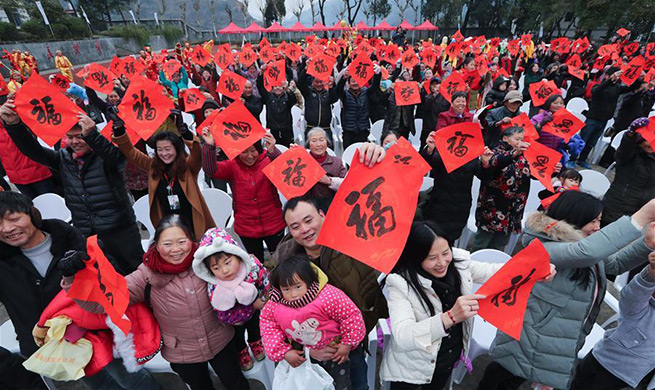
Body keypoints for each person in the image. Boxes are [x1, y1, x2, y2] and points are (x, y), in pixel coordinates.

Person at [479, 191, 655, 390]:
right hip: (530, 334)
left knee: (513, 376)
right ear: (574, 218)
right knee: (505, 375)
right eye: (593, 221)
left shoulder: (584, 244)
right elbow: (586, 253)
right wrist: (642, 217)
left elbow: (613, 264)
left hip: (557, 335)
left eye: (600, 221)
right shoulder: (545, 245)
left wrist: (646, 244)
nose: (598, 227)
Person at [60, 215, 250, 390]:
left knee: (236, 383)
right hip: (182, 353)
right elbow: (103, 304)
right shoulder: (146, 275)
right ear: (156, 245)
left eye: (181, 242)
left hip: (221, 340)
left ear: (192, 241)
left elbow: (239, 272)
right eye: (167, 244)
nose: (175, 250)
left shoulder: (206, 260)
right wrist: (72, 278)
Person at [0, 192, 157, 390]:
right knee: (96, 383)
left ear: (33, 214)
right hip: (59, 341)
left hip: (97, 328)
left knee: (129, 377)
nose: (7, 229)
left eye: (14, 219)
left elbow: (110, 275)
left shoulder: (69, 239)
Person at [380, 221, 550, 390]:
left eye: (446, 252)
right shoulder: (400, 283)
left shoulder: (459, 261)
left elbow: (496, 272)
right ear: (416, 257)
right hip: (412, 367)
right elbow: (403, 335)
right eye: (432, 258)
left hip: (448, 357)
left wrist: (536, 270)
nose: (442, 262)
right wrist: (450, 317)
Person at [1, 99, 143, 274]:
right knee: (105, 277)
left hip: (119, 231)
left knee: (136, 274)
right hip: (87, 234)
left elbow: (116, 158)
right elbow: (33, 151)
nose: (75, 141)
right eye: (70, 137)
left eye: (80, 136)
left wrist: (92, 135)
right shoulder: (62, 159)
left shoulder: (107, 157)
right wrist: (14, 125)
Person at [272, 184, 389, 390]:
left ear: (322, 214)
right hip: (311, 352)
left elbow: (389, 214)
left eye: (309, 220)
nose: (305, 230)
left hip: (351, 344)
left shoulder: (351, 241)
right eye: (295, 226)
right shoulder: (284, 260)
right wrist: (308, 350)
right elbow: (277, 315)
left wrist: (350, 341)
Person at [260, 255, 366, 390]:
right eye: (286, 289)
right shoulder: (274, 305)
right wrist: (284, 352)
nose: (293, 294)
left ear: (309, 282)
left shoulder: (327, 296)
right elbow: (268, 327)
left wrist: (347, 343)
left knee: (341, 384)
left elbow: (350, 316)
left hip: (336, 353)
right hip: (302, 356)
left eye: (298, 287)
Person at [111, 109, 215, 240]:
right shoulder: (152, 166)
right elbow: (131, 152)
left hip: (194, 225)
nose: (164, 154)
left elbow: (197, 152)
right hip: (169, 227)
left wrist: (185, 132)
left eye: (167, 149)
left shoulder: (188, 166)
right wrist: (119, 129)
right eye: (159, 150)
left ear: (177, 149)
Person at [570, 254, 655, 390]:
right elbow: (633, 295)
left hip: (633, 379)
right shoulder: (641, 309)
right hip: (603, 367)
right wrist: (650, 274)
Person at [201, 130, 286, 262]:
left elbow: (285, 169)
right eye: (244, 151)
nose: (249, 156)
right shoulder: (232, 165)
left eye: (253, 150)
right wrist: (209, 147)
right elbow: (211, 169)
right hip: (247, 226)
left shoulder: (268, 160)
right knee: (255, 263)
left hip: (273, 222)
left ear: (259, 149)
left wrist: (273, 150)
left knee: (282, 259)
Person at [192, 227, 270, 371]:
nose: (224, 270)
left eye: (227, 262)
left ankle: (256, 343)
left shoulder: (250, 267)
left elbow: (264, 280)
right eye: (216, 267)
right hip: (234, 321)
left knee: (255, 328)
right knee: (237, 337)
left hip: (254, 311)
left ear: (237, 255)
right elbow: (220, 311)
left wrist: (263, 299)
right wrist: (251, 306)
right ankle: (242, 352)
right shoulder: (215, 286)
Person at [421, 131, 493, 242]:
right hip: (439, 205)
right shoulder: (442, 156)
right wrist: (430, 150)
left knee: (450, 240)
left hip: (460, 207)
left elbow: (486, 177)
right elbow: (424, 164)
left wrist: (485, 163)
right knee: (433, 238)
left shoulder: (472, 160)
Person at [472, 126, 530, 251]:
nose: (521, 142)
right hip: (493, 208)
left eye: (522, 139)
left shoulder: (525, 156)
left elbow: (536, 173)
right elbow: (495, 162)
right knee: (481, 244)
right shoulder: (495, 152)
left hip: (513, 209)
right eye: (517, 139)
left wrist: (552, 169)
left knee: (500, 245)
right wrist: (514, 153)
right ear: (505, 138)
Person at [602, 118, 655, 230]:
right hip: (617, 207)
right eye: (647, 142)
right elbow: (623, 151)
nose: (649, 145)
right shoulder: (629, 154)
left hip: (642, 213)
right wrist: (630, 134)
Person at [574, 66, 624, 168]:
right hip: (593, 118)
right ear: (607, 76)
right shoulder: (598, 86)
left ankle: (582, 159)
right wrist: (609, 80)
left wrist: (640, 79)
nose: (616, 78)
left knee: (592, 142)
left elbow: (630, 87)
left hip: (604, 120)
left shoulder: (617, 88)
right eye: (613, 76)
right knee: (583, 139)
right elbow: (596, 91)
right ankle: (573, 158)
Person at [0, 121, 55, 199]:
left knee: (51, 202)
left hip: (38, 173)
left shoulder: (17, 122)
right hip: (17, 178)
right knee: (32, 207)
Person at [338, 64, 381, 148]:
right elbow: (338, 89)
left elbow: (375, 86)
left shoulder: (366, 92)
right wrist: (344, 78)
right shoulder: (345, 94)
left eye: (357, 81)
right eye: (353, 81)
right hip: (348, 130)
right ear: (349, 83)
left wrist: (377, 74)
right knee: (348, 153)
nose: (355, 83)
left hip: (363, 129)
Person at [306, 128, 347, 211]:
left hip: (332, 206)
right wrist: (293, 154)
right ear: (309, 144)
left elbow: (347, 185)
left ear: (327, 142)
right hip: (308, 207)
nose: (318, 144)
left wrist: (329, 181)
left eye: (321, 140)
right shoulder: (303, 162)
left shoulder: (337, 162)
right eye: (314, 141)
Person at [298, 61, 340, 142]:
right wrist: (306, 69)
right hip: (311, 127)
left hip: (326, 129)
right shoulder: (308, 92)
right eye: (316, 82)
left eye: (321, 82)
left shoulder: (327, 93)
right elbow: (300, 83)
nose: (319, 84)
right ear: (312, 82)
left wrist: (332, 87)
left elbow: (334, 98)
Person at [257, 70, 297, 146]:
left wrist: (287, 89)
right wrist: (261, 73)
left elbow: (293, 100)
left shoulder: (287, 97)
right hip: (273, 128)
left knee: (287, 149)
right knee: (273, 150)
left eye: (280, 86)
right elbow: (260, 86)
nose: (278, 88)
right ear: (272, 88)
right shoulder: (268, 97)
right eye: (275, 86)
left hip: (286, 129)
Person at [419, 77, 450, 149]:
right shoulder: (427, 97)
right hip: (427, 128)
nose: (435, 86)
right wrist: (434, 97)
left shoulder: (446, 98)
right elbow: (425, 109)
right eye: (433, 85)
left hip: (441, 128)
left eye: (437, 84)